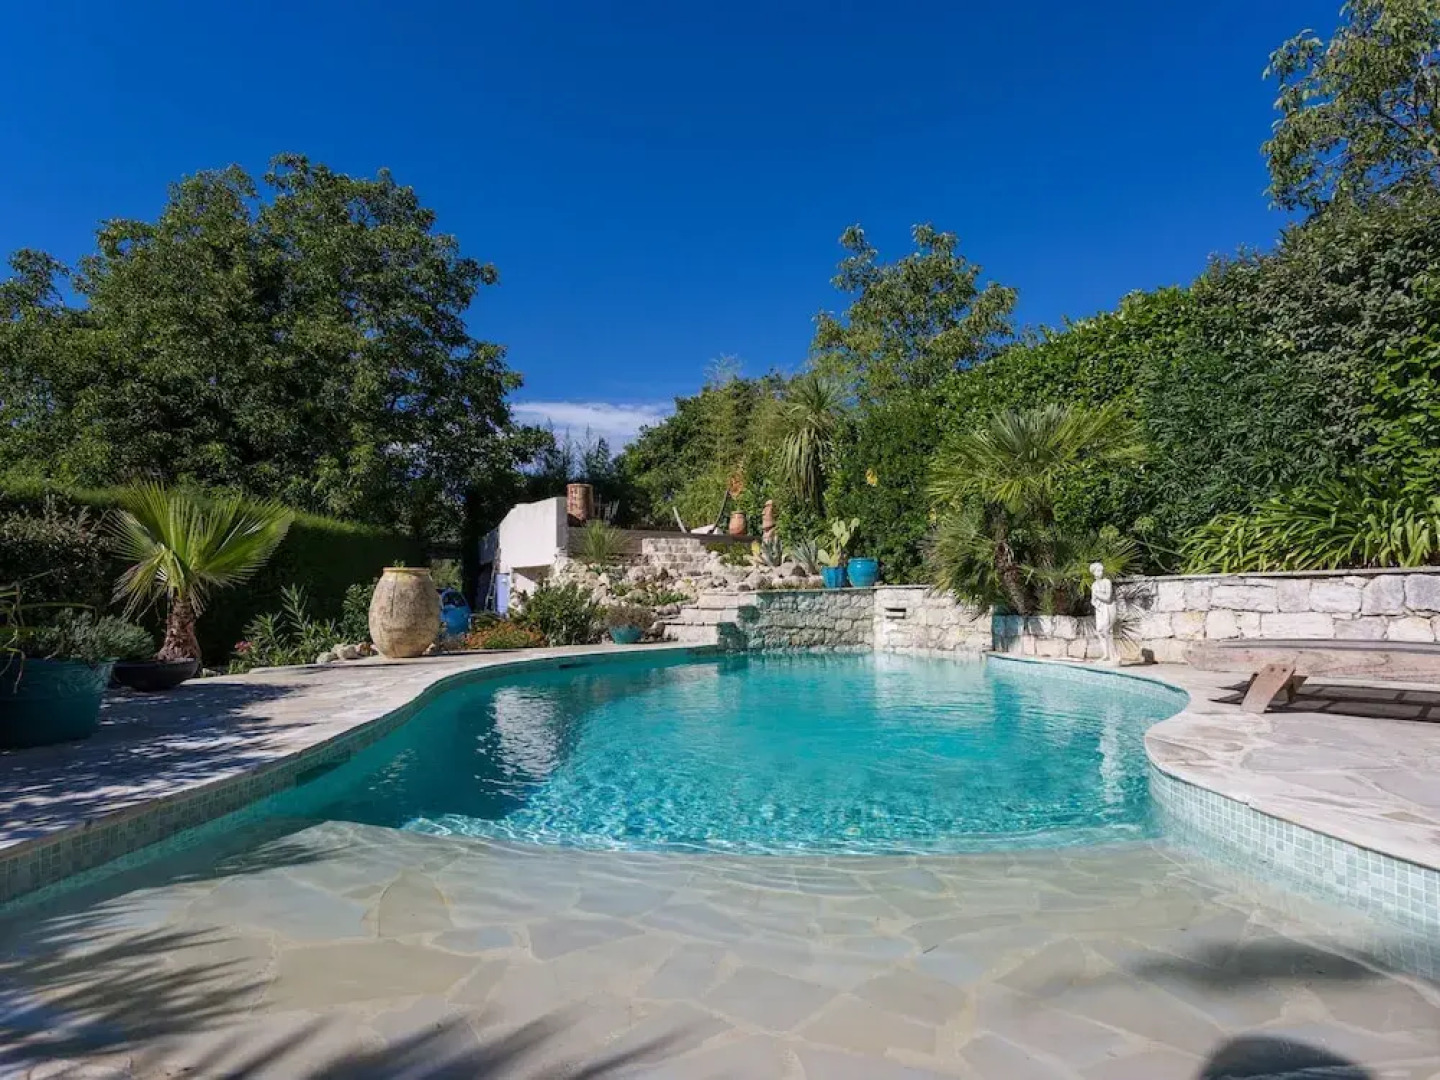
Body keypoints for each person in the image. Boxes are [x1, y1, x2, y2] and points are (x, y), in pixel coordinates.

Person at [1089, 561, 1118, 665]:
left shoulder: (1107, 581)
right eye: (1098, 570)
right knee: (1100, 631)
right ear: (1094, 572)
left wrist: (1098, 594)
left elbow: (1108, 597)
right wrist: (1096, 604)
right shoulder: (1094, 585)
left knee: (1107, 631)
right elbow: (1092, 600)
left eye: (1101, 570)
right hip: (1100, 609)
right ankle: (1106, 655)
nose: (1100, 572)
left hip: (1108, 608)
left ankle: (1114, 655)